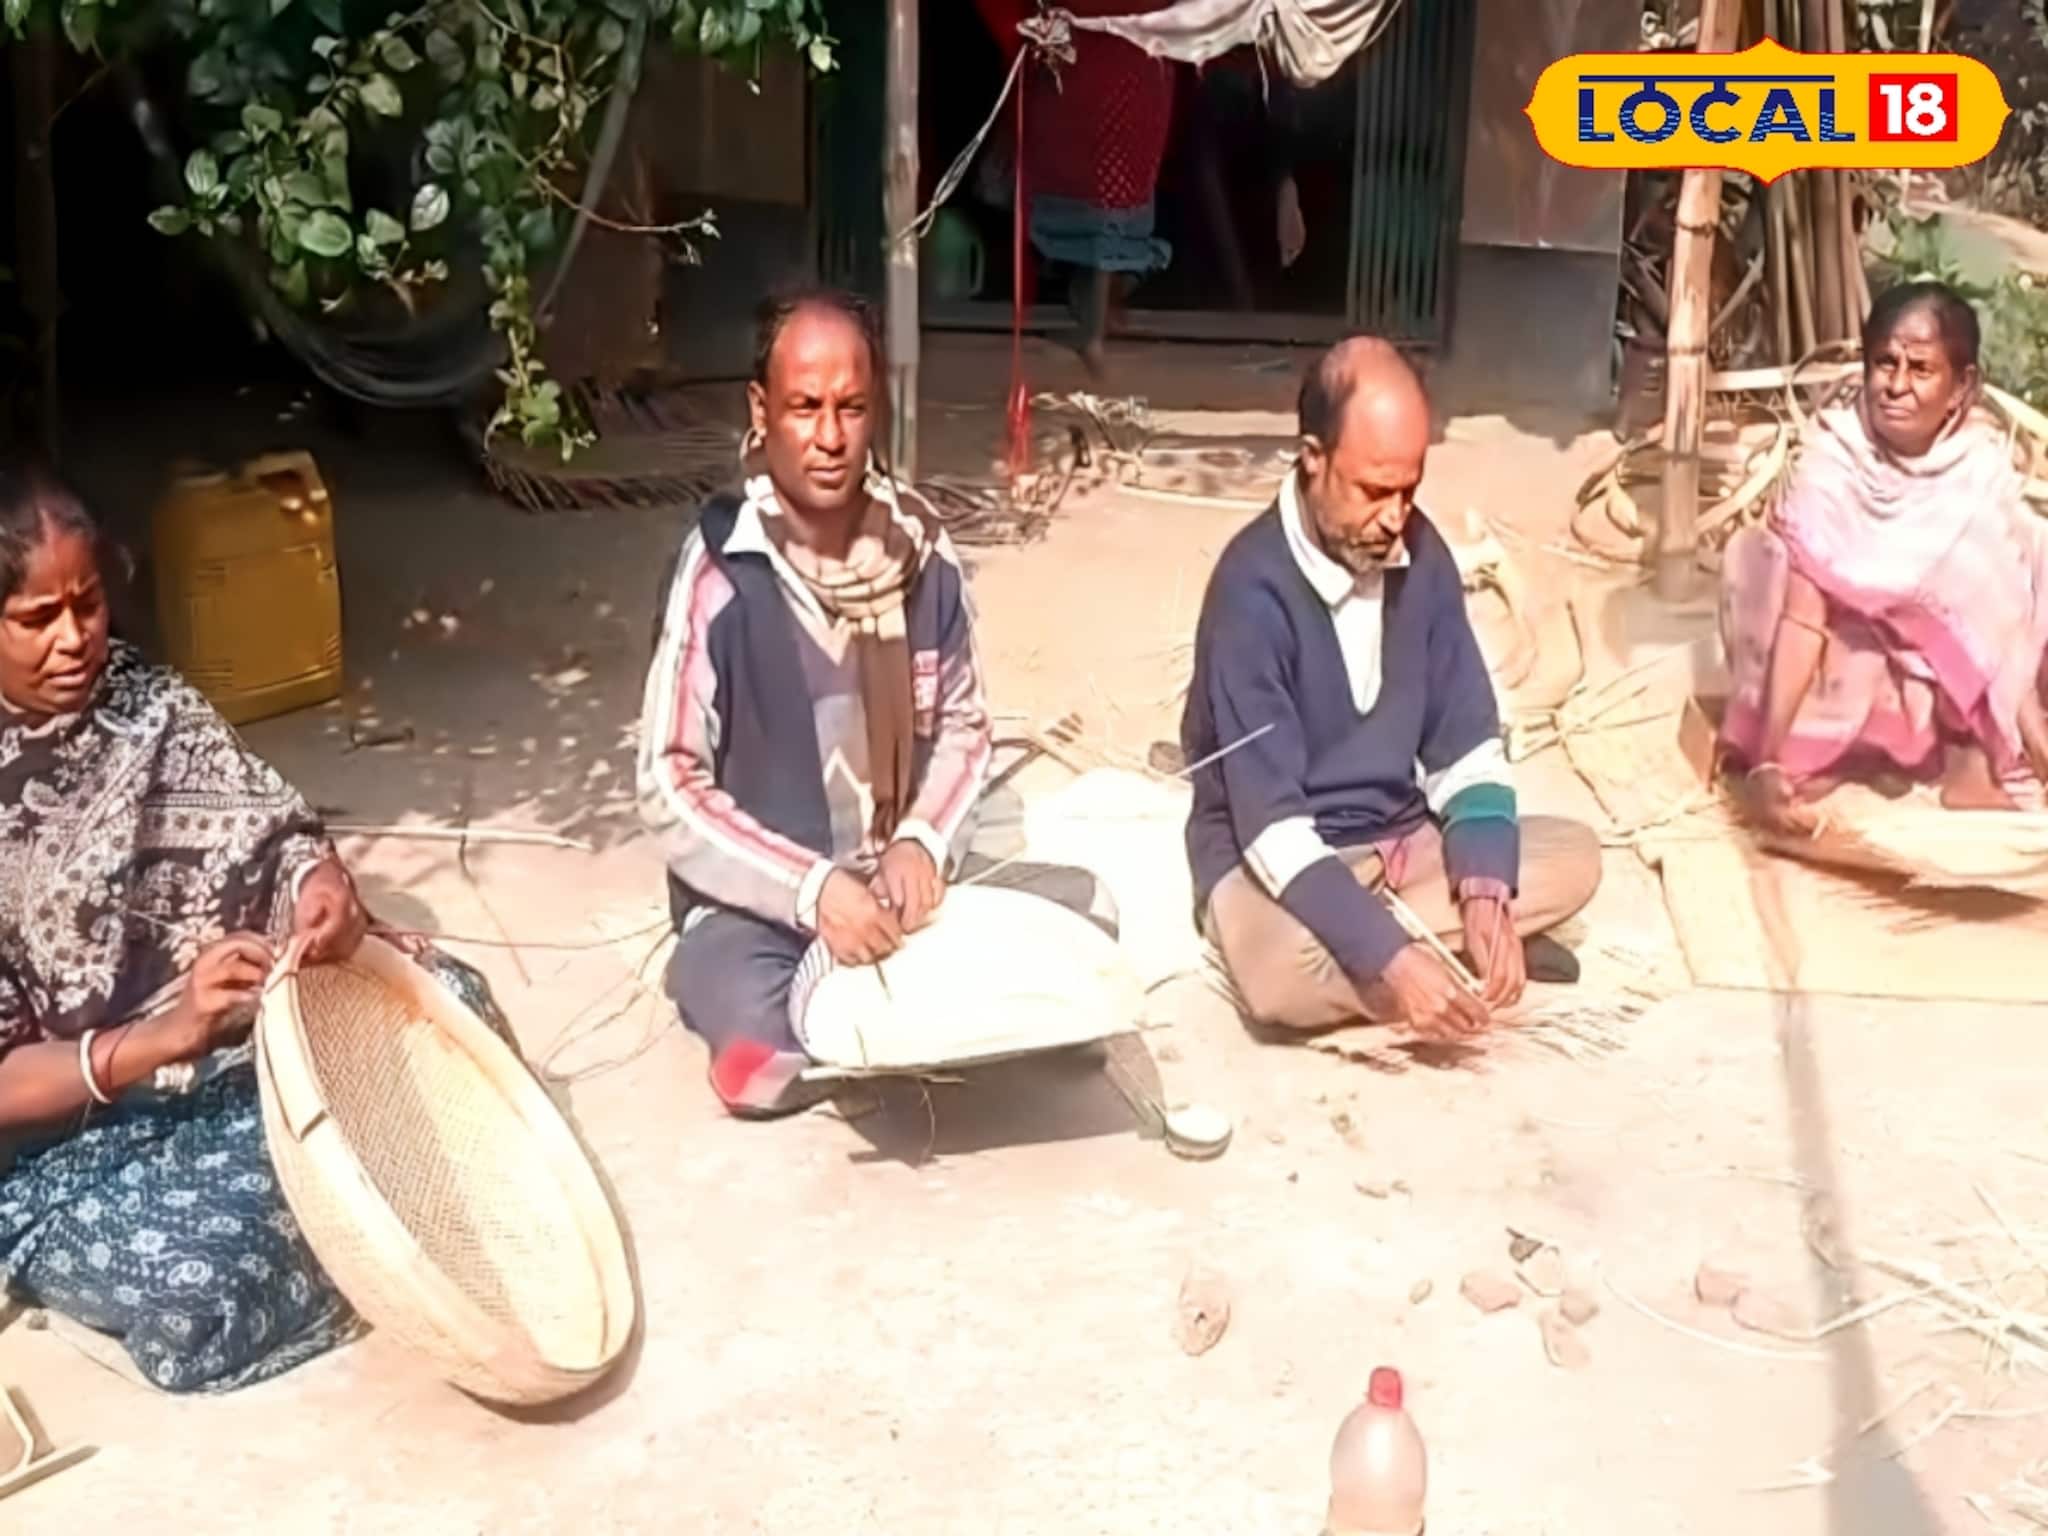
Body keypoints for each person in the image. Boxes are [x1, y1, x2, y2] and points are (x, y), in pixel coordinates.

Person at [638, 289, 1112, 1118]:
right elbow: (669, 783)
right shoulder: (720, 574)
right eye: (804, 408)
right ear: (761, 411)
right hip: (771, 907)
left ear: (877, 411)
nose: (829, 438)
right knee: (759, 1043)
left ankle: (901, 1011)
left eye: (851, 408)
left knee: (1088, 922)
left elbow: (965, 727)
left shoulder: (921, 552)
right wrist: (814, 890)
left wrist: (922, 842)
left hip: (902, 893)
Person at [0, 468, 406, 1392]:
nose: (75, 638)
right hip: (80, 1146)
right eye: (37, 618)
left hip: (247, 1054)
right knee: (203, 1295)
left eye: (88, 604)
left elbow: (275, 831)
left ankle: (359, 1191)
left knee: (448, 1000)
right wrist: (163, 1037)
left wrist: (319, 887)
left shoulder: (144, 697)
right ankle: (375, 1200)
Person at [1180, 337, 1603, 1041]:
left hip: (1401, 845)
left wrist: (1484, 889)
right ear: (1313, 458)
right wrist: (1391, 957)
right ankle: (1421, 965)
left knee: (1575, 858)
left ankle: (1432, 948)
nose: (1395, 516)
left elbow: (1466, 746)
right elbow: (1271, 828)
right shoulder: (1249, 593)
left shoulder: (1423, 557)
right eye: (1374, 491)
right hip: (1274, 861)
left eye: (1410, 489)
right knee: (1280, 977)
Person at [1719, 281, 2048, 830]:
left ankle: (1976, 756)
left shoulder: (1977, 467)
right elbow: (1802, 618)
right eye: (1884, 363)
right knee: (1759, 562)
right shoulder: (1833, 459)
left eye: (1920, 369)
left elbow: (2002, 625)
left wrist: (2032, 735)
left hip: (1944, 680)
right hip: (1854, 673)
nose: (1896, 385)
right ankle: (1825, 749)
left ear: (1961, 387)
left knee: (2035, 550)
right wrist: (1767, 759)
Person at [973, 0, 1178, 374]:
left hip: (1097, 73)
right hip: (1125, 72)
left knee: (1102, 213)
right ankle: (1096, 320)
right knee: (1109, 210)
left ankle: (1093, 331)